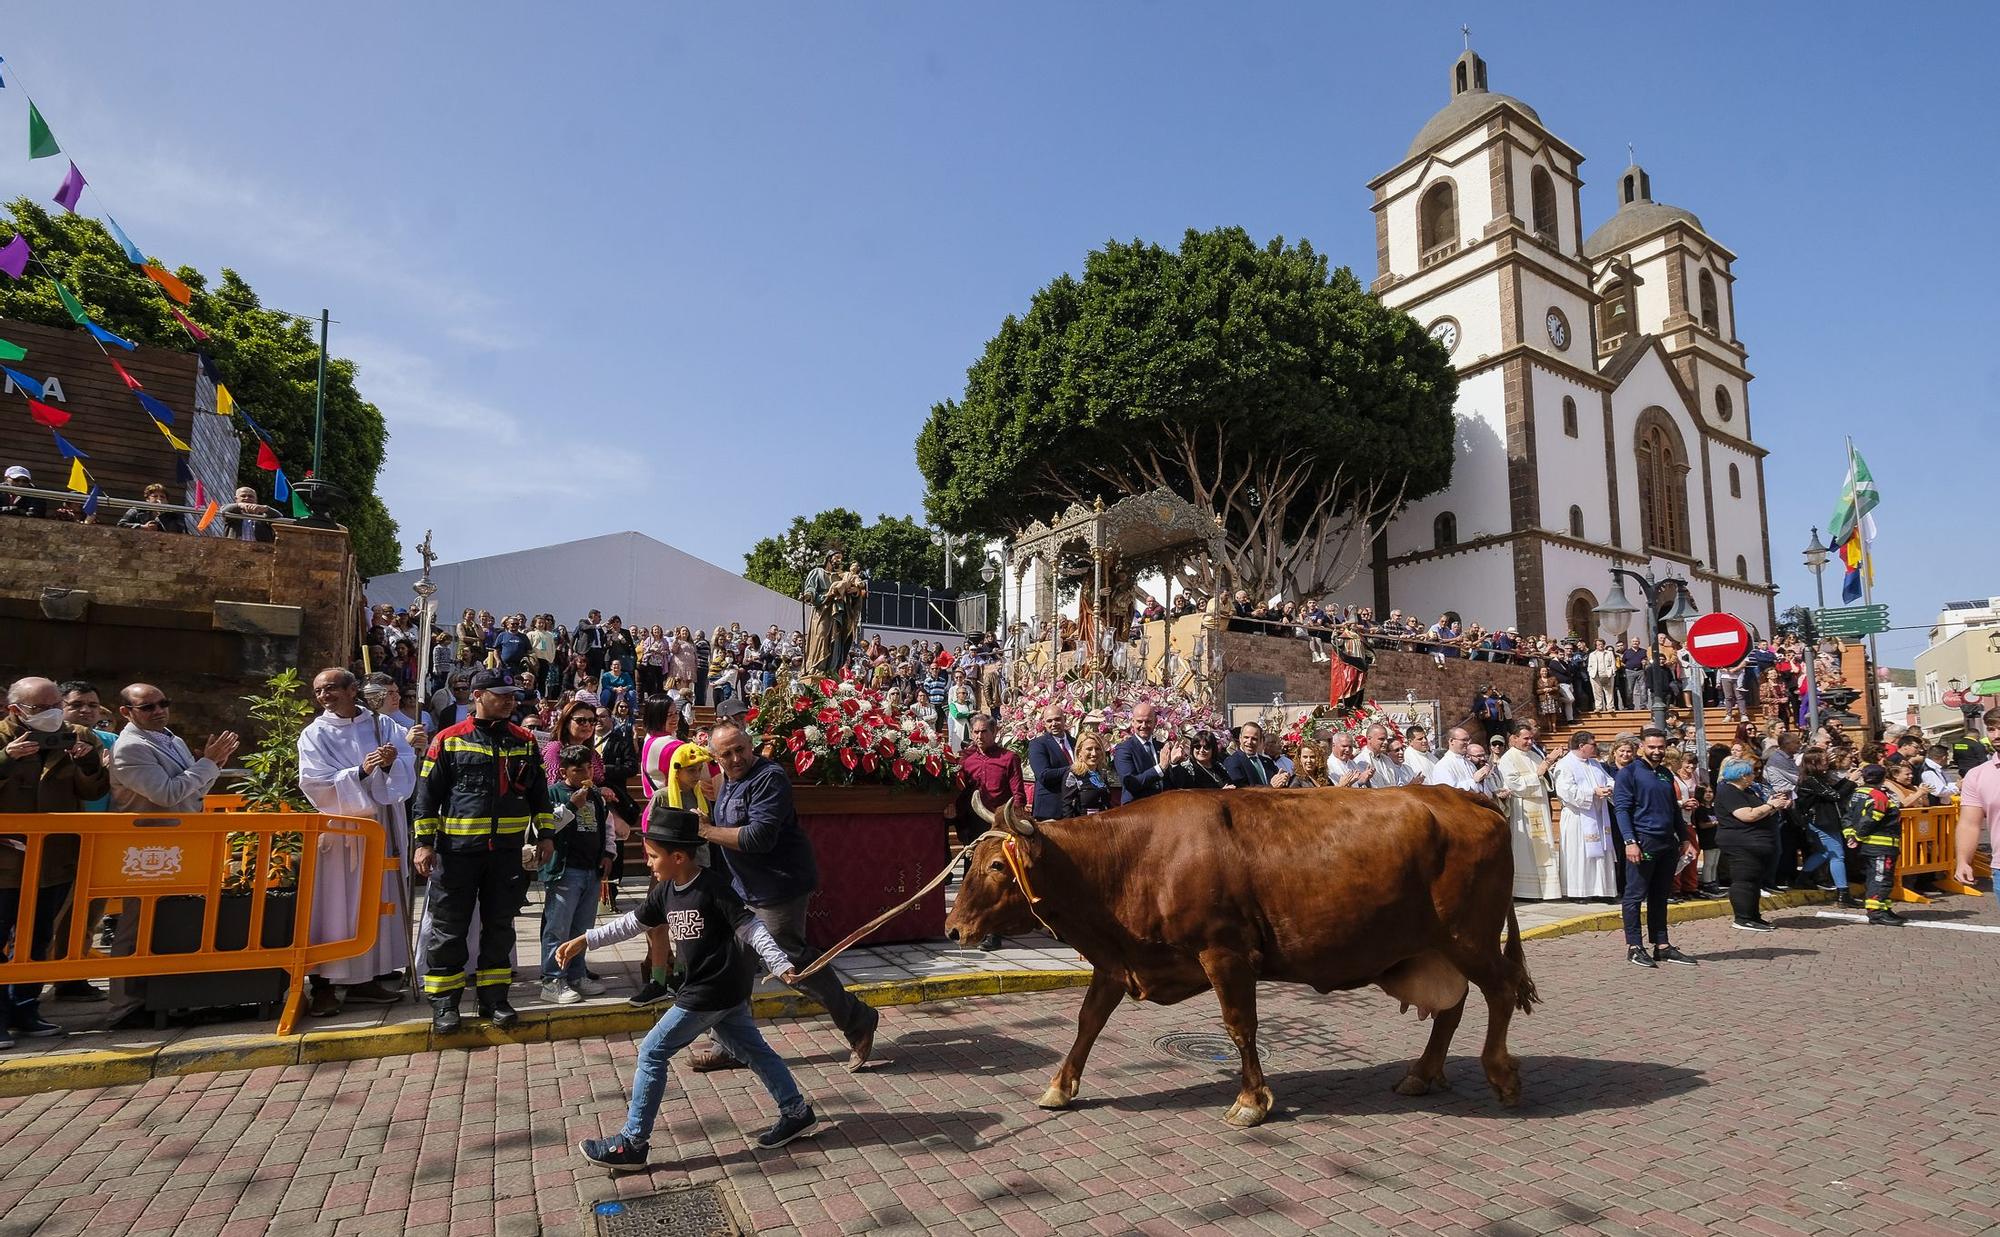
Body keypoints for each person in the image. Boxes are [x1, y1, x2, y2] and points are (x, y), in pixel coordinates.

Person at [561, 809, 815, 1171]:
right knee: (755, 1052)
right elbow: (631, 923)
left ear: (677, 857)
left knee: (651, 1052)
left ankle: (633, 1142)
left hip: (711, 991)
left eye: (652, 856)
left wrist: (780, 963)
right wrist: (585, 940)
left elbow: (751, 929)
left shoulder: (713, 887)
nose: (648, 864)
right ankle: (796, 1112)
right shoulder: (666, 891)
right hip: (723, 993)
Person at [694, 720, 879, 1072]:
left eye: (740, 749)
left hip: (778, 888)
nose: (735, 758)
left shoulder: (769, 778)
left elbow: (756, 838)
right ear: (715, 757)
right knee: (732, 964)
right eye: (726, 753)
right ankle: (731, 1044)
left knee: (790, 963)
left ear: (751, 746)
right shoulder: (728, 782)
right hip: (743, 890)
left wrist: (706, 830)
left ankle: (858, 1019)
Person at [410, 669, 554, 1033]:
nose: (510, 701)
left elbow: (539, 792)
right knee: (448, 929)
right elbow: (427, 798)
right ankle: (445, 1004)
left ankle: (494, 999)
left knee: (500, 927)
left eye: (512, 695)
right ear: (477, 696)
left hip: (505, 853)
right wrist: (424, 844)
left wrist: (545, 835)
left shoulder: (524, 740)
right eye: (501, 695)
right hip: (457, 853)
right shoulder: (448, 740)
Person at [296, 668, 417, 1015]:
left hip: (381, 824)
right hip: (341, 830)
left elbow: (406, 765)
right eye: (318, 691)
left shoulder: (383, 725)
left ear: (352, 690)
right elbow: (314, 784)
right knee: (334, 904)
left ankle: (366, 979)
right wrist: (360, 773)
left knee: (376, 901)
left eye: (331, 689)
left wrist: (394, 763)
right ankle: (323, 982)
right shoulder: (314, 734)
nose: (323, 696)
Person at [0, 677, 111, 1043]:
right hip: (7, 859)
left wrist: (89, 761)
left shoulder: (75, 734)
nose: (50, 714)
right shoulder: (3, 737)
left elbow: (93, 789)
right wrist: (6, 759)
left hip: (54, 857)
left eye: (53, 705)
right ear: (15, 710)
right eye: (39, 708)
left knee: (36, 938)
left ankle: (26, 1010)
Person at [1610, 728, 1699, 967]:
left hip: (1666, 843)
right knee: (1635, 895)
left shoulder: (1665, 774)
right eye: (1652, 747)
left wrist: (1684, 839)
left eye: (1660, 747)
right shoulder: (1628, 773)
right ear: (1641, 746)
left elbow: (1673, 809)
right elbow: (1621, 810)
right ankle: (1634, 946)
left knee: (1660, 895)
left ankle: (1662, 945)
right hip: (1642, 842)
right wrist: (1630, 842)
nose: (1657, 751)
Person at [537, 745, 616, 1004]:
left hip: (590, 870)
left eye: (588, 768)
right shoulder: (553, 793)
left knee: (582, 927)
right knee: (557, 927)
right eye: (577, 770)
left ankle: (576, 973)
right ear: (563, 771)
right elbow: (547, 828)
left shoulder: (595, 795)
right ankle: (552, 979)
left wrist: (607, 853)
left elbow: (606, 825)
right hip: (565, 871)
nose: (584, 774)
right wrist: (571, 804)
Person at [1713, 757, 1788, 932]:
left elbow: (1760, 813)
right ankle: (1743, 917)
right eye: (1751, 773)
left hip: (1757, 843)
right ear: (1742, 776)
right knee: (1744, 880)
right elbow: (1747, 815)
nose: (1754, 775)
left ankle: (1754, 915)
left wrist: (1775, 805)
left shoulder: (1748, 791)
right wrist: (1770, 805)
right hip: (1740, 843)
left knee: (1754, 880)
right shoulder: (1728, 791)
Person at [1496, 722, 1560, 900]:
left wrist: (1546, 769)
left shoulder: (1534, 755)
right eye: (1526, 738)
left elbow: (1546, 779)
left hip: (1540, 806)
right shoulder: (1508, 758)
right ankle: (1525, 890)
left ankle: (1547, 890)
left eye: (1532, 738)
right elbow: (1512, 784)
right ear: (1514, 739)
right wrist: (1539, 773)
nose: (1530, 742)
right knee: (1525, 849)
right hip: (1522, 807)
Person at [1553, 732, 1617, 900]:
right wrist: (1593, 792)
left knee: (1601, 851)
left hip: (1598, 814)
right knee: (1579, 853)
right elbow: (1565, 791)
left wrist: (1609, 788)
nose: (1595, 747)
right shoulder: (1565, 764)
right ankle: (1579, 892)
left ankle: (1602, 890)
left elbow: (1609, 780)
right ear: (1581, 746)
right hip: (1578, 816)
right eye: (1593, 744)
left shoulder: (1594, 763)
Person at [1793, 748, 1858, 909]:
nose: (1827, 762)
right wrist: (1851, 781)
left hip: (1822, 820)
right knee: (1837, 855)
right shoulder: (1810, 780)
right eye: (1824, 760)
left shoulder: (1817, 778)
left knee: (1824, 852)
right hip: (1821, 821)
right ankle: (1843, 893)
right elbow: (1834, 796)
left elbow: (1832, 791)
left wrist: (1846, 780)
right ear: (1814, 762)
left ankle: (1803, 878)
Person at [1844, 764, 1905, 927]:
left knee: (1877, 878)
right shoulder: (1878, 796)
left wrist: (1850, 835)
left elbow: (1847, 817)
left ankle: (1883, 909)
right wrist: (1857, 835)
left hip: (1870, 846)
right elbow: (1870, 820)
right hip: (1881, 845)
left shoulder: (1856, 794)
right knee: (1881, 879)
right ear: (1883, 778)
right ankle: (1876, 913)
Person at [1954, 706, 2000, 907]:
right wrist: (1963, 860)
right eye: (1991, 729)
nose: (1996, 735)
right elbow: (1969, 823)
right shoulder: (1978, 775)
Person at [1112, 702, 1179, 804]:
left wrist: (1174, 764)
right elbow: (1131, 784)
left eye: (1148, 721)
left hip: (1164, 809)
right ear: (1132, 722)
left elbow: (1176, 784)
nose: (1143, 726)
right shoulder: (1123, 749)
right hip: (1136, 810)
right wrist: (1160, 768)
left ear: (1155, 722)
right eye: (1139, 721)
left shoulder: (1162, 747)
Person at [1026, 705, 1076, 820]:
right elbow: (1044, 775)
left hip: (1073, 808)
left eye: (1057, 719)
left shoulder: (1075, 742)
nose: (1054, 724)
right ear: (1044, 723)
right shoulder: (1038, 744)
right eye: (1049, 721)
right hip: (1050, 809)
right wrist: (1073, 769)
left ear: (1064, 719)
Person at [1061, 732, 1115, 817]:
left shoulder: (1101, 774)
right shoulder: (1073, 775)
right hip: (1082, 826)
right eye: (1089, 749)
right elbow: (1067, 808)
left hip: (1103, 825)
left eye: (1097, 749)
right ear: (1079, 753)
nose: (1094, 753)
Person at [1223, 723, 1283, 787]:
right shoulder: (1232, 761)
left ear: (1260, 741)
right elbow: (1242, 788)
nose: (1249, 742)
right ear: (1240, 738)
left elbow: (1277, 781)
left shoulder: (1268, 762)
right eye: (1246, 737)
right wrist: (1271, 786)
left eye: (1254, 739)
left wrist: (1282, 779)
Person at [1167, 732, 1234, 789]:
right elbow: (1182, 786)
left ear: (1213, 749)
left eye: (1206, 747)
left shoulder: (1218, 766)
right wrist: (1174, 762)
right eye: (1197, 747)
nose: (1201, 750)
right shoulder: (1188, 768)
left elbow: (1230, 783)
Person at [116, 483, 189, 533]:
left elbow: (181, 533)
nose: (159, 499)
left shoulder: (174, 516)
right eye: (155, 496)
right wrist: (143, 527)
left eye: (162, 497)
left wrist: (162, 514)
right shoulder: (137, 510)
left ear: (167, 501)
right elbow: (120, 525)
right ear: (147, 499)